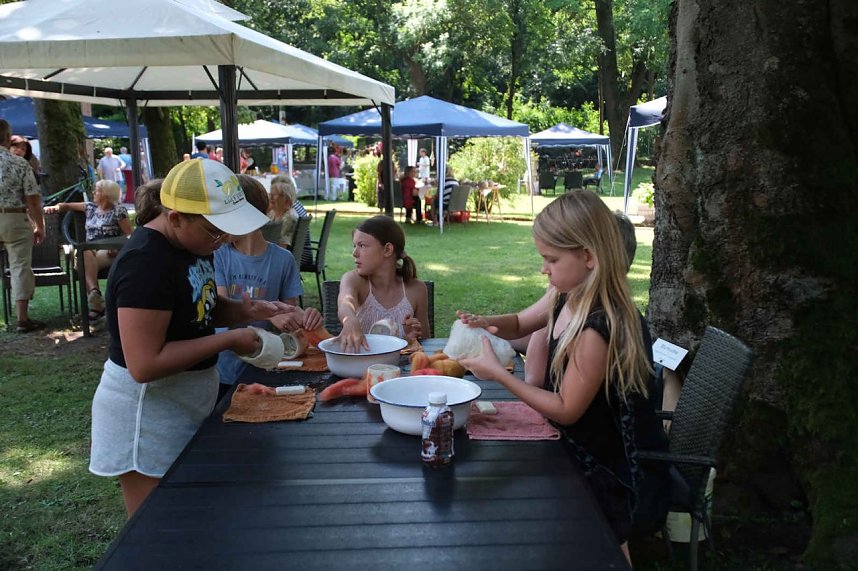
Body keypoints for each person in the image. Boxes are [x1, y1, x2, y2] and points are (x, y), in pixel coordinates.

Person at [458, 191, 656, 565]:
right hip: (563, 450)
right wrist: (486, 322)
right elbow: (520, 322)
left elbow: (566, 409)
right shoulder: (565, 293)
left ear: (589, 256)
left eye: (551, 259)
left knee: (605, 549)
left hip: (596, 468)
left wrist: (500, 375)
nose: (543, 269)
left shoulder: (597, 326)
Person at [89, 158, 291, 518]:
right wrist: (230, 340)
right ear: (176, 217)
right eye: (216, 231)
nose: (225, 240)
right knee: (159, 529)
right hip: (146, 416)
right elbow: (144, 363)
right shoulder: (145, 263)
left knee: (194, 521)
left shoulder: (191, 246)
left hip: (182, 405)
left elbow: (197, 308)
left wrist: (248, 311)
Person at [214, 175, 322, 401]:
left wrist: (306, 320)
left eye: (224, 215)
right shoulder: (218, 256)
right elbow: (223, 313)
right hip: (222, 371)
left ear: (246, 214)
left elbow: (289, 322)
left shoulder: (283, 260)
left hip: (264, 370)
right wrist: (271, 314)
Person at [336, 215, 430, 353]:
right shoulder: (354, 280)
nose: (354, 253)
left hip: (401, 370)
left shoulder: (416, 290)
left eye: (362, 245)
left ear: (387, 249)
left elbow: (426, 341)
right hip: (360, 369)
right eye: (354, 246)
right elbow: (345, 303)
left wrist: (412, 337)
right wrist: (349, 319)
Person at [44, 180, 132, 321]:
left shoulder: (118, 210)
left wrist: (117, 248)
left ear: (106, 194)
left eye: (97, 190)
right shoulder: (90, 207)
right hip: (89, 250)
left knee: (81, 262)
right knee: (84, 253)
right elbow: (66, 205)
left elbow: (129, 235)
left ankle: (95, 305)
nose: (93, 193)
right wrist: (54, 208)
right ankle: (94, 293)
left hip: (108, 250)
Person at [0, 120, 45, 333]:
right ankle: (22, 319)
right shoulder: (19, 163)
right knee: (19, 267)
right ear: (7, 137)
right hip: (14, 218)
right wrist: (40, 225)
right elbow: (33, 200)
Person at [267, 178, 299, 249]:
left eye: (274, 195)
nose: (270, 197)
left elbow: (282, 247)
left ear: (286, 199)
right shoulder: (273, 213)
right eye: (270, 194)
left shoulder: (289, 217)